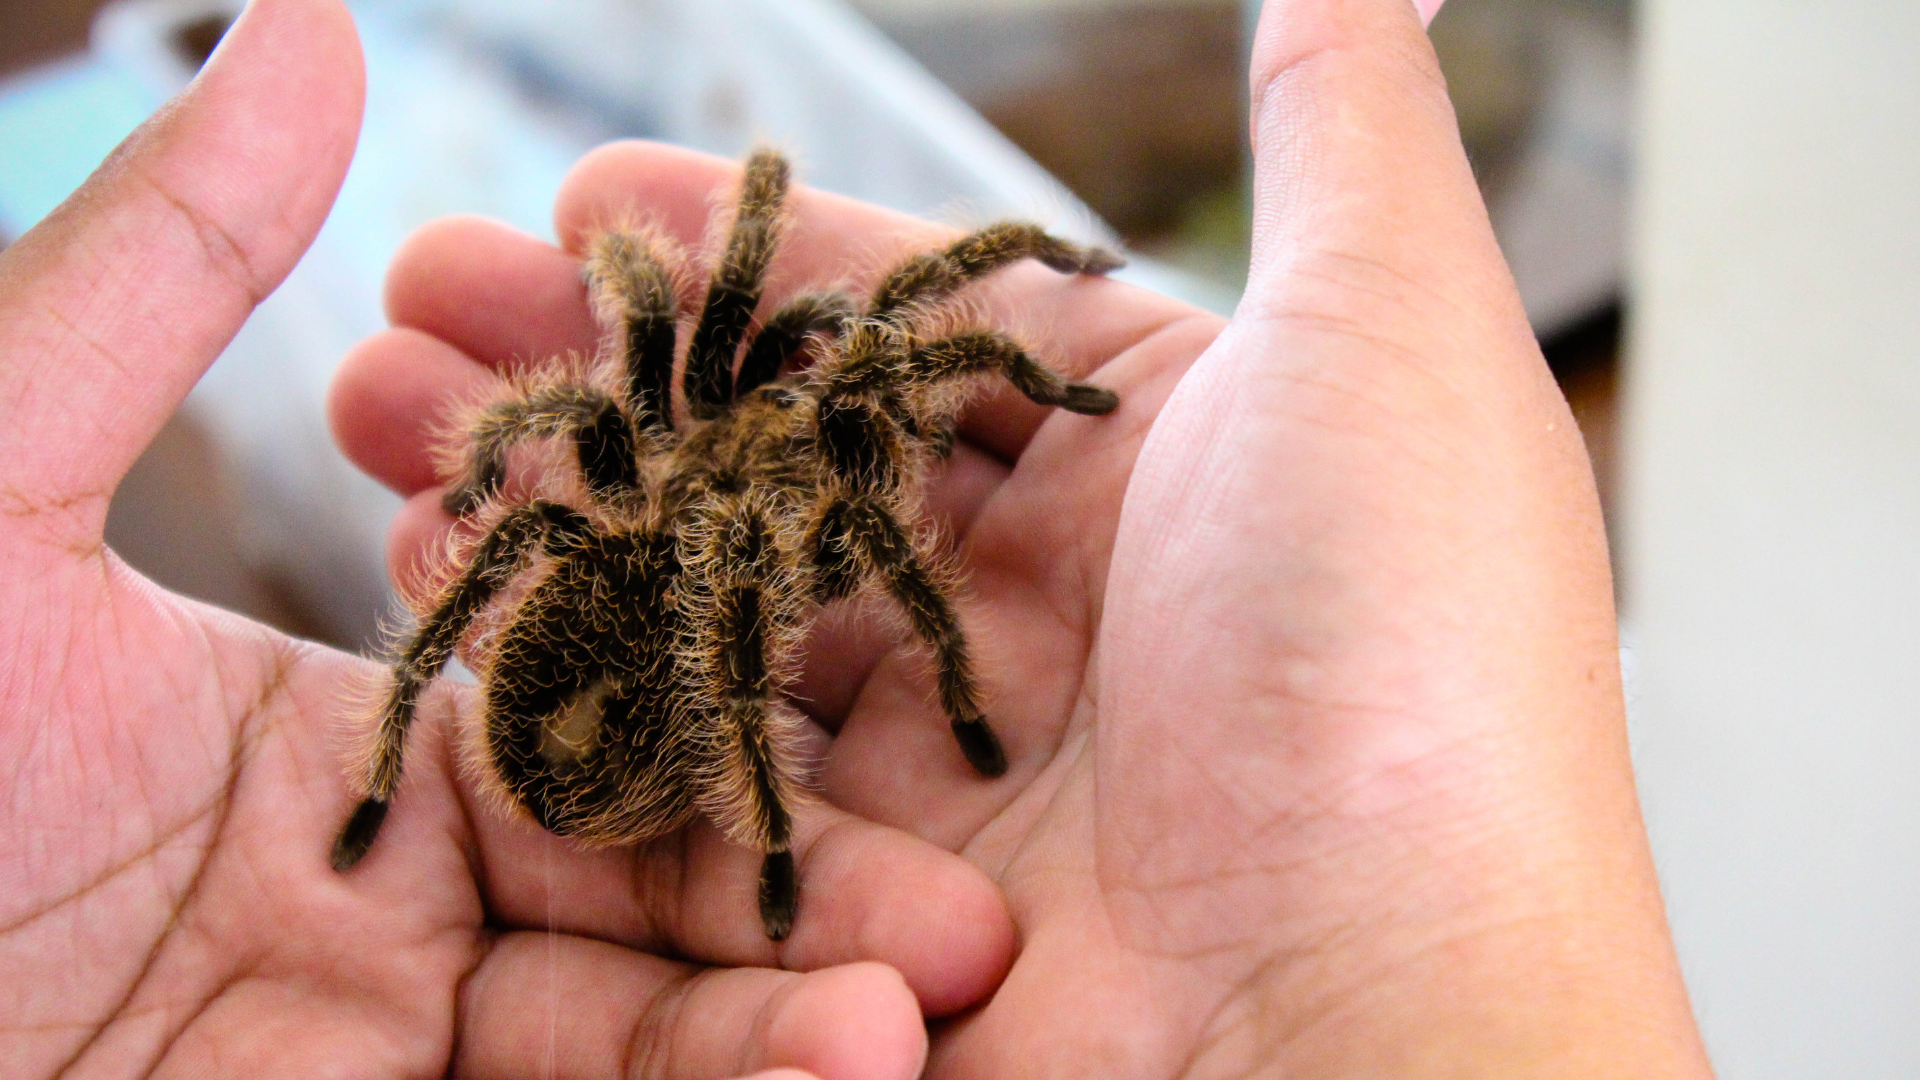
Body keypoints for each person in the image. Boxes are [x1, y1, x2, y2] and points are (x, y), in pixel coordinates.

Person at [0, 0, 1715, 1076]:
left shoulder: (660, 432)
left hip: (634, 630)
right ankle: (547, 786)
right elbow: (730, 319)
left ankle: (399, 762)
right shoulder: (801, 466)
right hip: (663, 668)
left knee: (606, 530)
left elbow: (569, 410)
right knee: (757, 449)